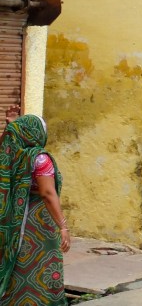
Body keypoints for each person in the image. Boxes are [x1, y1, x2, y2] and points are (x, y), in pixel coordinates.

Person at [0, 115, 71, 304]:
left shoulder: (12, 156)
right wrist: (63, 226)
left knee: (17, 263)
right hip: (39, 224)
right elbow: (48, 193)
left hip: (14, 222)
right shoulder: (40, 159)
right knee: (44, 263)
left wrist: (12, 127)